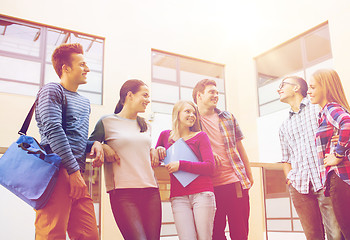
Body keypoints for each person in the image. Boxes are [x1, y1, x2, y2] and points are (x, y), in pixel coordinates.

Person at [34, 43, 104, 240]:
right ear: (66, 68)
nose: (87, 69)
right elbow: (53, 130)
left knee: (89, 235)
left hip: (77, 174)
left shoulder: (84, 102)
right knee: (51, 235)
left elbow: (75, 138)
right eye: (82, 64)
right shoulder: (51, 90)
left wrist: (95, 144)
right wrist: (73, 171)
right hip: (56, 173)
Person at [308, 69, 350, 240]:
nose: (308, 92)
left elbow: (349, 125)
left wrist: (337, 154)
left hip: (343, 180)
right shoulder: (340, 110)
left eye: (312, 87)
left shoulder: (330, 109)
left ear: (325, 87)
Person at [89, 80, 162, 240]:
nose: (148, 100)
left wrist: (154, 150)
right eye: (144, 95)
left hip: (151, 191)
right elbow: (87, 146)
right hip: (123, 194)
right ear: (130, 95)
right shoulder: (107, 122)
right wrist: (101, 145)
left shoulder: (146, 126)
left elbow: (142, 150)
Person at [277, 76, 343, 240]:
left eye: (282, 85)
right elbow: (286, 158)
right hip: (299, 186)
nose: (278, 89)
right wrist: (290, 179)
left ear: (296, 88)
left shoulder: (318, 108)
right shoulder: (284, 126)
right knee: (312, 237)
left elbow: (349, 121)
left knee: (336, 235)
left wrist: (340, 141)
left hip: (325, 181)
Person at [192, 79, 253, 240]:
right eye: (211, 92)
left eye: (217, 92)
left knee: (240, 233)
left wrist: (249, 174)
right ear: (199, 95)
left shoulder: (228, 117)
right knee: (215, 234)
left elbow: (240, 148)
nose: (216, 95)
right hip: (208, 188)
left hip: (235, 183)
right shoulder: (191, 120)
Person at [155, 100, 216, 240]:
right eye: (187, 111)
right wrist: (157, 149)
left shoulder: (201, 136)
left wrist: (181, 165)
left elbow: (210, 167)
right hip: (179, 196)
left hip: (202, 194)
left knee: (204, 238)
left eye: (194, 113)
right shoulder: (165, 136)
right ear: (177, 114)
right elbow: (157, 160)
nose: (192, 115)